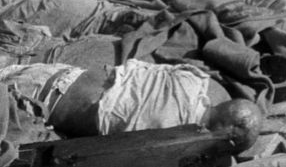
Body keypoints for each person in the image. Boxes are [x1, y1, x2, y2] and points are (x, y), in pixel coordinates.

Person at [0, 60, 266, 151]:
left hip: (56, 73)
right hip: (35, 99)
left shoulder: (193, 79)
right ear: (228, 136)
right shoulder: (172, 136)